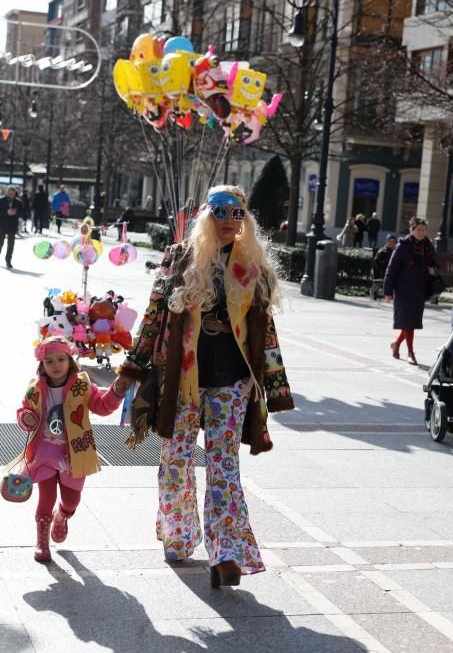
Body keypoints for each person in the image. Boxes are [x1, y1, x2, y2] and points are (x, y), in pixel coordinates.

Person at [118, 184, 294, 588]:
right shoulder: (180, 259)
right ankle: (179, 534)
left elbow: (265, 332)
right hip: (184, 378)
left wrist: (276, 388)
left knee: (224, 466)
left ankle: (227, 553)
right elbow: (153, 319)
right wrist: (132, 367)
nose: (231, 221)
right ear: (206, 215)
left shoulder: (254, 266)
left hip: (232, 381)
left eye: (239, 213)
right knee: (176, 458)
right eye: (222, 211)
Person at [15, 335, 131, 563]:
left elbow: (102, 406)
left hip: (74, 454)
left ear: (70, 360)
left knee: (71, 500)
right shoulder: (35, 388)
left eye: (61, 359)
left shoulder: (81, 384)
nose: (56, 365)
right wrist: (25, 418)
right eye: (49, 361)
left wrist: (116, 391)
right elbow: (24, 411)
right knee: (45, 497)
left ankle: (63, 516)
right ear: (42, 365)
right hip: (44, 453)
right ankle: (41, 542)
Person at [384, 217, 437, 365]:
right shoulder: (402, 247)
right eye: (418, 229)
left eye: (423, 230)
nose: (421, 232)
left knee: (411, 322)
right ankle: (411, 353)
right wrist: (388, 291)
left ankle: (396, 344)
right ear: (412, 230)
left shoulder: (428, 247)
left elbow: (434, 264)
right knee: (408, 322)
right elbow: (391, 269)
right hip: (403, 290)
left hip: (420, 289)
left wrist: (433, 270)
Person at [0, 185, 23, 269]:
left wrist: (15, 213)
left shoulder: (18, 202)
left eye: (12, 194)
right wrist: (7, 212)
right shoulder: (1, 200)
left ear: (15, 194)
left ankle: (8, 260)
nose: (10, 195)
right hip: (1, 225)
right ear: (7, 192)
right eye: (9, 193)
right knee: (0, 243)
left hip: (12, 226)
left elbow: (22, 213)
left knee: (10, 245)